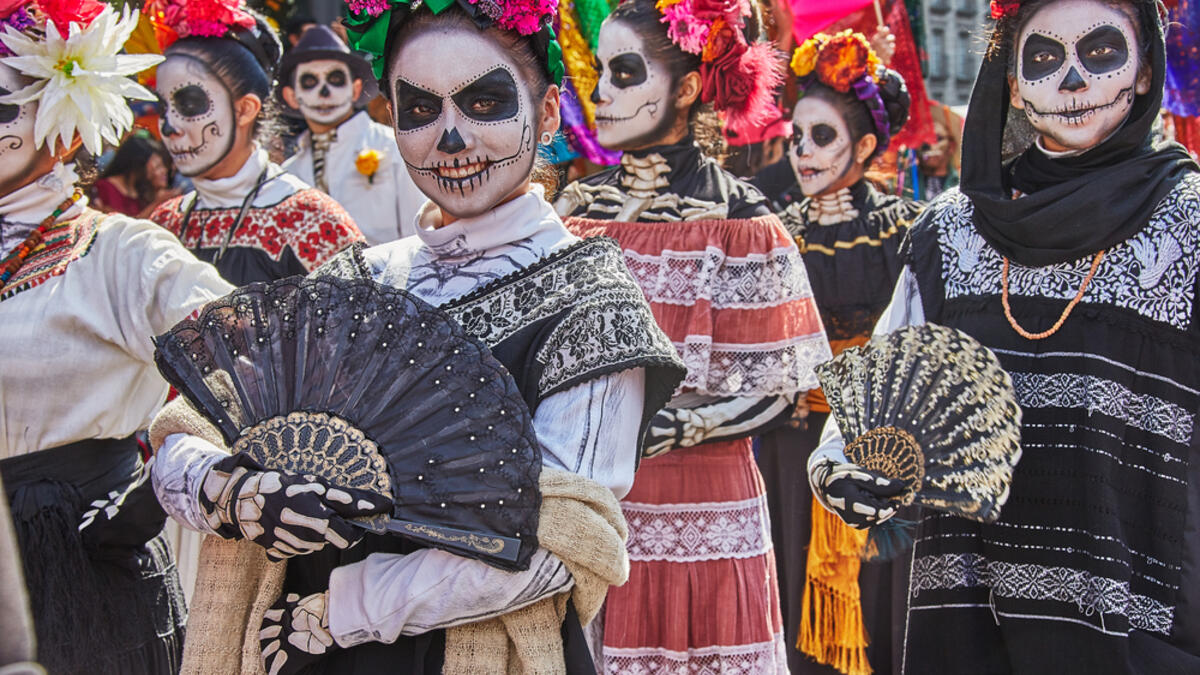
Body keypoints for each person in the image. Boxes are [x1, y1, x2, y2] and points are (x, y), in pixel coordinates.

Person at [148, 0, 687, 672]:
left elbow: (558, 547)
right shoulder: (359, 278)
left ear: (547, 113)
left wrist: (342, 610)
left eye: (485, 103)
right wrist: (231, 491)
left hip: (465, 651)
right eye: (421, 110)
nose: (450, 139)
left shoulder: (590, 297)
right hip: (298, 647)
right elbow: (182, 434)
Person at [809, 0, 1200, 672]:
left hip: (1138, 628)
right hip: (972, 621)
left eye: (1100, 51)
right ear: (1013, 84)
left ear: (1143, 72)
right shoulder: (951, 232)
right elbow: (874, 387)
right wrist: (840, 464)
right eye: (1044, 58)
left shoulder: (1188, 226)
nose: (1072, 81)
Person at [555, 0, 831, 669]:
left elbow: (781, 387)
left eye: (624, 73)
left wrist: (681, 429)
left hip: (705, 502)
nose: (600, 94)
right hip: (591, 500)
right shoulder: (572, 211)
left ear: (684, 88)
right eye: (600, 73)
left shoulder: (744, 220)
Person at [0, 3, 233, 672]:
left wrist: (163, 479)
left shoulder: (121, 254)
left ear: (66, 129)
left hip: (87, 573)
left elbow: (249, 358)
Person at [754, 30, 922, 675]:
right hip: (790, 449)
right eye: (795, 136)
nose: (801, 152)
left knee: (881, 599)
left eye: (820, 136)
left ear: (868, 145)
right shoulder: (774, 234)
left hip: (878, 452)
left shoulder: (904, 230)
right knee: (792, 585)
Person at [147, 1, 364, 286]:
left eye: (190, 104)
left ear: (246, 109)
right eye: (163, 108)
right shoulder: (165, 222)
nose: (169, 127)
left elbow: (362, 326)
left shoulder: (311, 220)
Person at [279, 25, 426, 243]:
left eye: (336, 79)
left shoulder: (396, 148)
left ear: (355, 89)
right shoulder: (288, 173)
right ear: (292, 96)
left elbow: (420, 236)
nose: (324, 92)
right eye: (310, 81)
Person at [92, 132, 180, 218]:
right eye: (156, 166)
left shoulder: (141, 191)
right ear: (139, 164)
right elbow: (125, 226)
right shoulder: (105, 187)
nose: (163, 170)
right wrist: (157, 203)